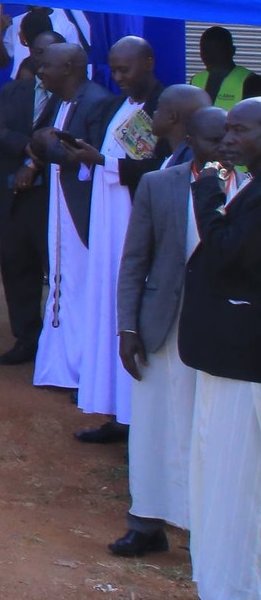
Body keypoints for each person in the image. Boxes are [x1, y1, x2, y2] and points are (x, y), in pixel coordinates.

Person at [108, 88, 217, 559]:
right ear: (191, 138)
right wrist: (127, 328)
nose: (227, 146)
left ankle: (205, 526)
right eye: (217, 137)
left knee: (206, 430)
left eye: (233, 136)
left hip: (217, 333)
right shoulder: (160, 183)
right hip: (160, 324)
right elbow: (134, 261)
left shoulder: (245, 190)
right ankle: (146, 522)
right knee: (152, 425)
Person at [178, 96, 261, 600]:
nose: (227, 140)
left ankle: (234, 585)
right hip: (227, 358)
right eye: (226, 131)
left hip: (243, 362)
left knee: (236, 484)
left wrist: (205, 192)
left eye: (239, 131)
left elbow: (229, 253)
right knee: (218, 476)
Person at [65, 36, 165, 444]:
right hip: (108, 220)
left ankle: (138, 419)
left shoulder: (165, 105)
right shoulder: (117, 105)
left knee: (131, 311)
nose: (119, 77)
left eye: (126, 69)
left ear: (149, 61)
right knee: (108, 306)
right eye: (114, 69)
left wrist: (102, 161)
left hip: (137, 222)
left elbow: (158, 168)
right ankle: (116, 413)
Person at [31, 42, 116, 393]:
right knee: (61, 282)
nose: (40, 71)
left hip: (80, 208)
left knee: (80, 285)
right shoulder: (58, 100)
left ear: (68, 67)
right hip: (58, 204)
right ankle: (60, 367)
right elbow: (41, 139)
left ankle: (83, 371)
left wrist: (44, 144)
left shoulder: (96, 101)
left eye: (46, 65)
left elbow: (84, 157)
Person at [0, 29, 64, 364]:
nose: (42, 59)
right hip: (14, 196)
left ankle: (59, 345)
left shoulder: (72, 97)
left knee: (59, 271)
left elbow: (70, 142)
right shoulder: (13, 90)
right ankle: (25, 339)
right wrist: (33, 148)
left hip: (54, 197)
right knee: (17, 266)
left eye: (50, 53)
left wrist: (34, 164)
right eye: (38, 52)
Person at [190, 25, 260, 109]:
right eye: (205, 50)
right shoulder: (196, 80)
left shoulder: (251, 81)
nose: (209, 55)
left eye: (216, 49)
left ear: (232, 51)